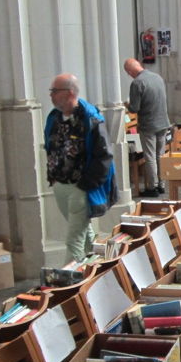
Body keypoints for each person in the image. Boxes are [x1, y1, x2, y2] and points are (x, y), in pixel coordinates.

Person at [44, 73, 117, 262]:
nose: (50, 95)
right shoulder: (54, 118)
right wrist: (52, 176)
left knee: (73, 239)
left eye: (54, 91)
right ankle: (98, 263)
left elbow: (104, 155)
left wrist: (86, 185)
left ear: (69, 93)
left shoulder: (90, 118)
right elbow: (51, 147)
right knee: (83, 232)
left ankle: (68, 283)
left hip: (81, 187)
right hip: (61, 184)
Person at [124, 58, 170, 197]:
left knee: (150, 157)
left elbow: (134, 108)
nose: (129, 75)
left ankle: (152, 187)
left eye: (128, 73)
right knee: (160, 155)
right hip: (163, 122)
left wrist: (126, 104)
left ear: (130, 71)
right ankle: (162, 185)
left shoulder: (137, 83)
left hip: (149, 125)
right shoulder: (157, 78)